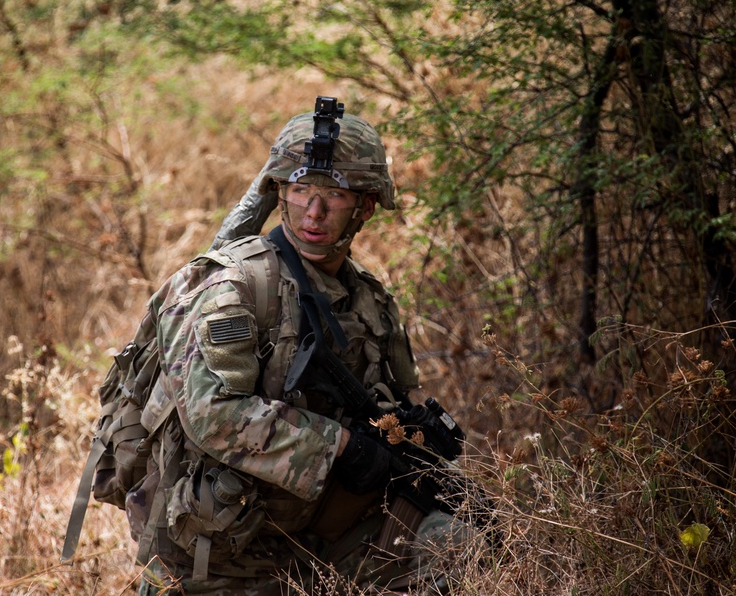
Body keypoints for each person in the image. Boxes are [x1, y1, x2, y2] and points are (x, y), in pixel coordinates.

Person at [131, 98, 477, 595]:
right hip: (224, 553)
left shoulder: (370, 301)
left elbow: (391, 405)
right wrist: (338, 445)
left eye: (333, 196)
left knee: (460, 544)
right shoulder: (234, 287)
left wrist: (406, 444)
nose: (314, 211)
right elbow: (212, 414)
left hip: (322, 536)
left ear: (366, 205)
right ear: (280, 192)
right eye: (300, 191)